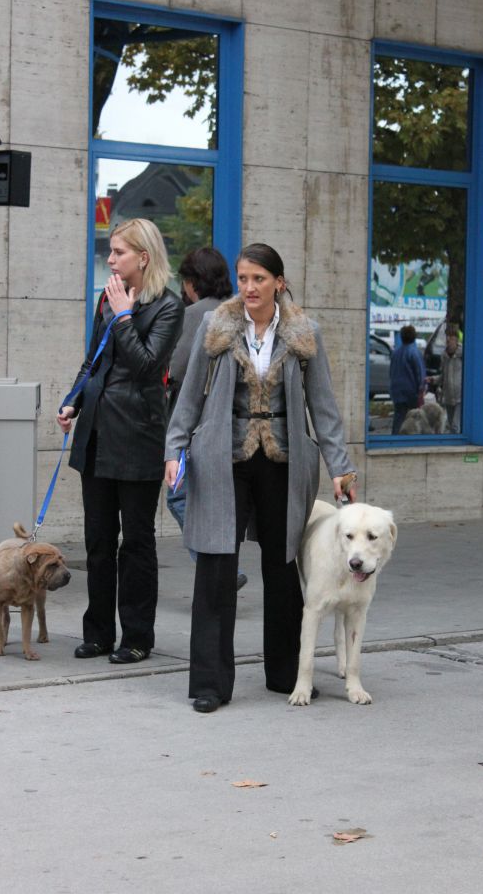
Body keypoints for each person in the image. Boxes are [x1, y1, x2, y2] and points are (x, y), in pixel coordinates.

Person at [164, 242, 357, 713]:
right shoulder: (217, 326)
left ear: (279, 283)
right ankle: (210, 683)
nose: (249, 287)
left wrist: (340, 467)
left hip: (284, 461)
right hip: (221, 457)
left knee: (281, 565)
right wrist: (175, 447)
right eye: (243, 278)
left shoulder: (303, 332)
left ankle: (286, 674)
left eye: (259, 279)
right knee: (215, 566)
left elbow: (323, 406)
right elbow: (189, 394)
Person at [57, 218, 184, 664]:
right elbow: (92, 360)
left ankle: (136, 637)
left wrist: (125, 315)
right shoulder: (105, 300)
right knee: (97, 541)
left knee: (136, 542)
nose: (110, 260)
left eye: (118, 252)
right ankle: (98, 633)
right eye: (111, 252)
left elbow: (149, 366)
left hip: (138, 437)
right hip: (96, 433)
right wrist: (72, 400)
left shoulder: (168, 307)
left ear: (143, 257)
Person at [166, 246, 247, 590]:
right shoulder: (239, 311)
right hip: (233, 423)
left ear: (191, 282)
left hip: (197, 423)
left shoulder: (197, 314)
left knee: (179, 496)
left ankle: (217, 568)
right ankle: (221, 567)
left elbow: (177, 371)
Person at [389, 324, 426, 433]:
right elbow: (420, 373)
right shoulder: (414, 352)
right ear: (414, 336)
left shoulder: (395, 353)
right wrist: (421, 389)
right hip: (410, 392)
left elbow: (391, 372)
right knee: (414, 418)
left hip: (397, 391)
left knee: (399, 418)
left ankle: (395, 439)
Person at [428, 325, 462, 433]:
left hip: (460, 396)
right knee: (451, 424)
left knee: (456, 426)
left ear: (456, 340)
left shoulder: (462, 354)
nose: (448, 340)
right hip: (448, 396)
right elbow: (443, 375)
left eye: (451, 338)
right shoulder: (444, 356)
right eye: (447, 337)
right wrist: (433, 379)